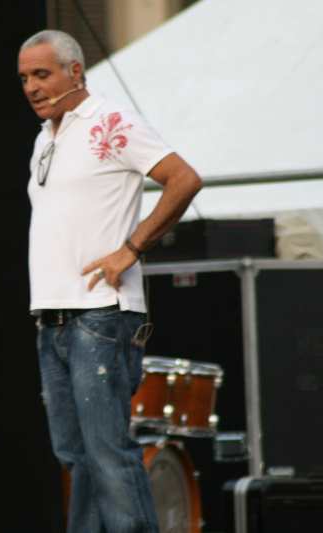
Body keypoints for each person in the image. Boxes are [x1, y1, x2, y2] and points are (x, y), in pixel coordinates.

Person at [18, 30, 202, 533]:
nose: (31, 87)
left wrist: (131, 248)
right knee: (75, 457)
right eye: (24, 78)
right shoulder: (45, 137)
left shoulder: (112, 120)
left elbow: (184, 178)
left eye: (42, 74)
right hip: (52, 315)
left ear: (75, 71)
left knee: (106, 452)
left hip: (100, 314)